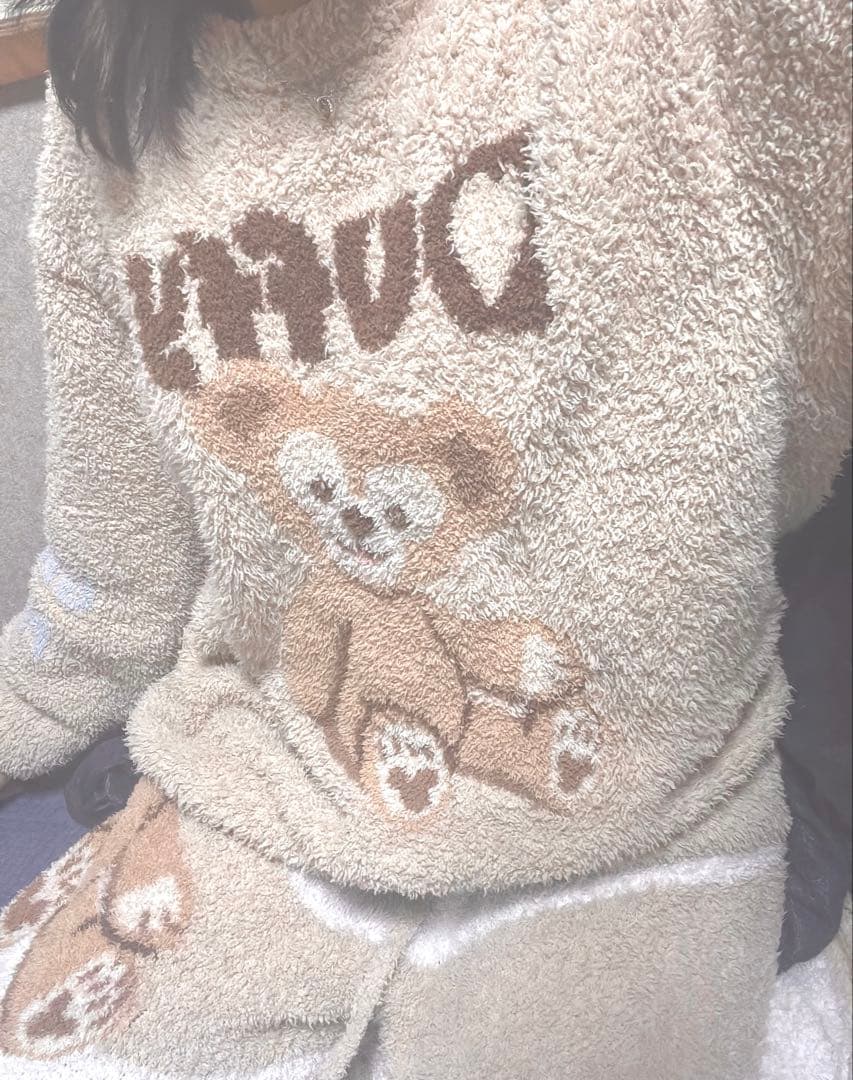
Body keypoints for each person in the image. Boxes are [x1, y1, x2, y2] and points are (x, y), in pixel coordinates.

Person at [0, 0, 849, 1076]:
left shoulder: (700, 36)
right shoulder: (108, 92)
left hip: (641, 818)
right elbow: (113, 565)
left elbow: (806, 430)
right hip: (255, 784)